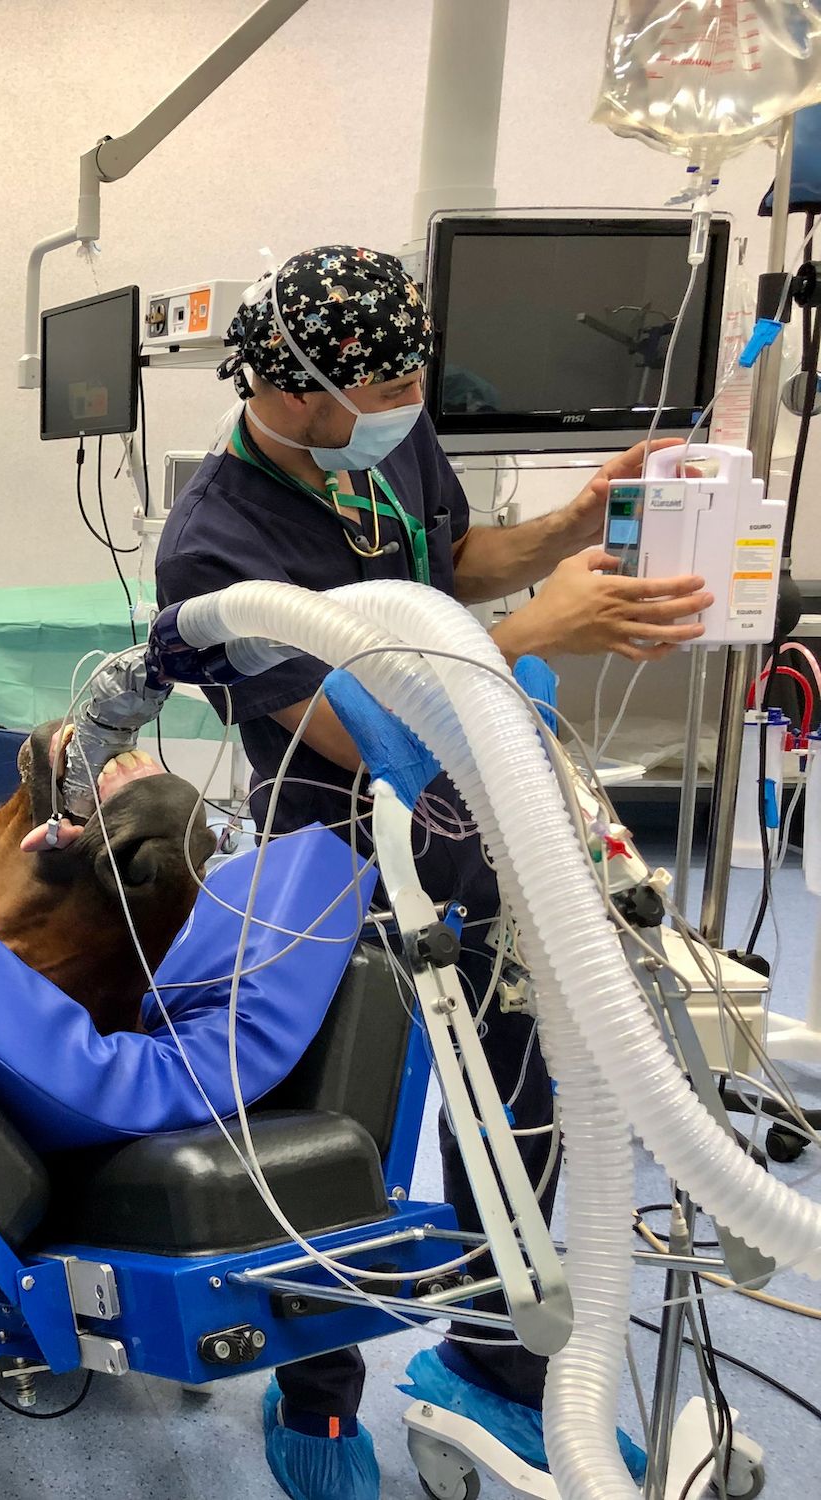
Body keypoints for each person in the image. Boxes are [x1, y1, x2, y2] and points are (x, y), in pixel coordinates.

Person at [153, 245, 708, 1500]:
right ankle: (318, 1395)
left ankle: (492, 1367)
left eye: (414, 366)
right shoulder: (214, 547)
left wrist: (566, 529)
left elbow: (443, 567)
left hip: (478, 811)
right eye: (389, 375)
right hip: (330, 846)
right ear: (296, 387)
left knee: (523, 1097)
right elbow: (355, 723)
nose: (412, 393)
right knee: (331, 1132)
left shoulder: (382, 435)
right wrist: (534, 635)